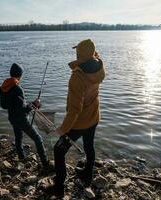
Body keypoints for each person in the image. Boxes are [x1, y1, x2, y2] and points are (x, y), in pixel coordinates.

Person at [46, 39, 105, 197]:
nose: (75, 53)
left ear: (80, 55)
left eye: (77, 51)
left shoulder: (77, 78)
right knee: (89, 145)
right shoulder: (98, 66)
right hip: (94, 117)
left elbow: (74, 111)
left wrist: (62, 130)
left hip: (79, 123)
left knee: (58, 150)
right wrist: (92, 56)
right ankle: (87, 176)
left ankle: (59, 187)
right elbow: (93, 59)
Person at [0, 63, 53, 170]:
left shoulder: (3, 86)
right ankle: (45, 164)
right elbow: (23, 109)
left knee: (18, 137)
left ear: (11, 74)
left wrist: (24, 104)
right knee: (38, 139)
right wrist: (34, 104)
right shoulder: (18, 89)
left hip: (12, 118)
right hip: (21, 119)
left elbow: (4, 105)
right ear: (20, 75)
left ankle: (21, 157)